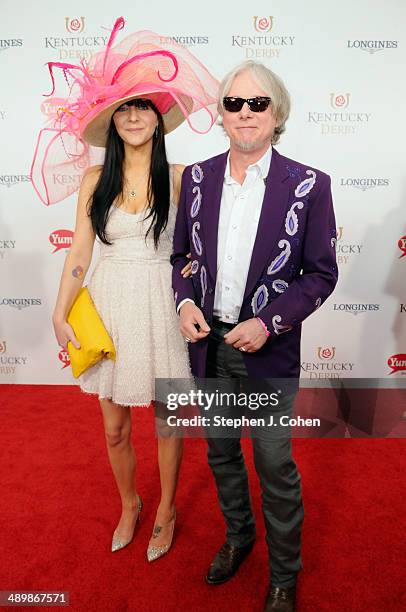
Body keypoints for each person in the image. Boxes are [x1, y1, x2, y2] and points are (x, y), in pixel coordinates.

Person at [31, 17, 218, 561]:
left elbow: (199, 249)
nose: (134, 116)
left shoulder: (183, 176)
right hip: (110, 304)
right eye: (124, 108)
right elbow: (80, 253)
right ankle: (131, 503)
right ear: (112, 121)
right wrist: (59, 311)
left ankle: (166, 511)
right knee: (114, 429)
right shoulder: (95, 180)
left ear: (159, 120)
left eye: (143, 107)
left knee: (167, 420)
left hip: (163, 303)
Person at [172, 60, 338, 610]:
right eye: (234, 103)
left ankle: (284, 573)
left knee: (273, 462)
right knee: (221, 453)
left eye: (258, 104)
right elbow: (182, 258)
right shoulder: (195, 179)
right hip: (207, 347)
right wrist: (186, 300)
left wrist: (269, 323)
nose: (245, 113)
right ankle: (240, 538)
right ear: (220, 114)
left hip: (269, 352)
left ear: (277, 113)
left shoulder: (310, 185)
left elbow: (320, 273)